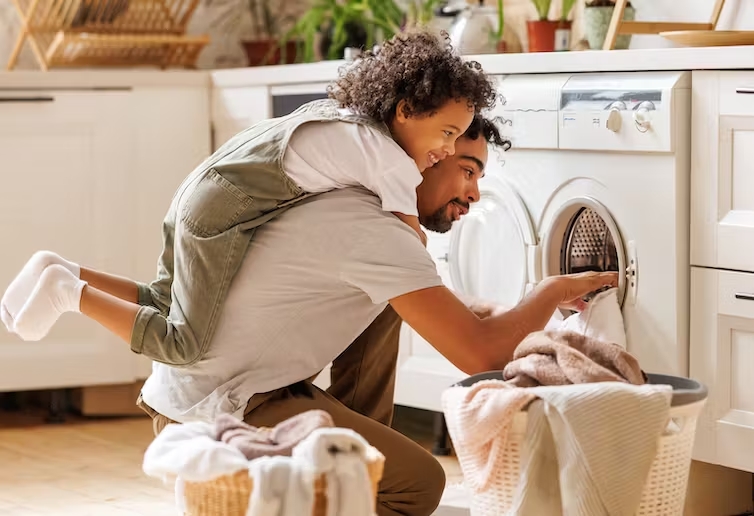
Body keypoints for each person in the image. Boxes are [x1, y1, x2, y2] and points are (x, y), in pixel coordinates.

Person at [125, 115, 614, 516]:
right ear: (431, 157)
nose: (474, 193)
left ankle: (352, 469)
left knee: (390, 307)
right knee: (419, 485)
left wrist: (519, 311)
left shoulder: (359, 205)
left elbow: (435, 304)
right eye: (467, 170)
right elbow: (481, 352)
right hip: (221, 410)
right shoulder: (375, 232)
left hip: (222, 388)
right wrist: (551, 289)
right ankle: (349, 486)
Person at [0, 29, 497, 367]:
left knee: (161, 299)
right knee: (183, 344)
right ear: (406, 110)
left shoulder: (352, 123)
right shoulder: (388, 161)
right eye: (447, 134)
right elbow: (410, 250)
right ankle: (69, 292)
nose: (447, 150)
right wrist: (460, 310)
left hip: (200, 194)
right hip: (222, 213)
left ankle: (62, 266)